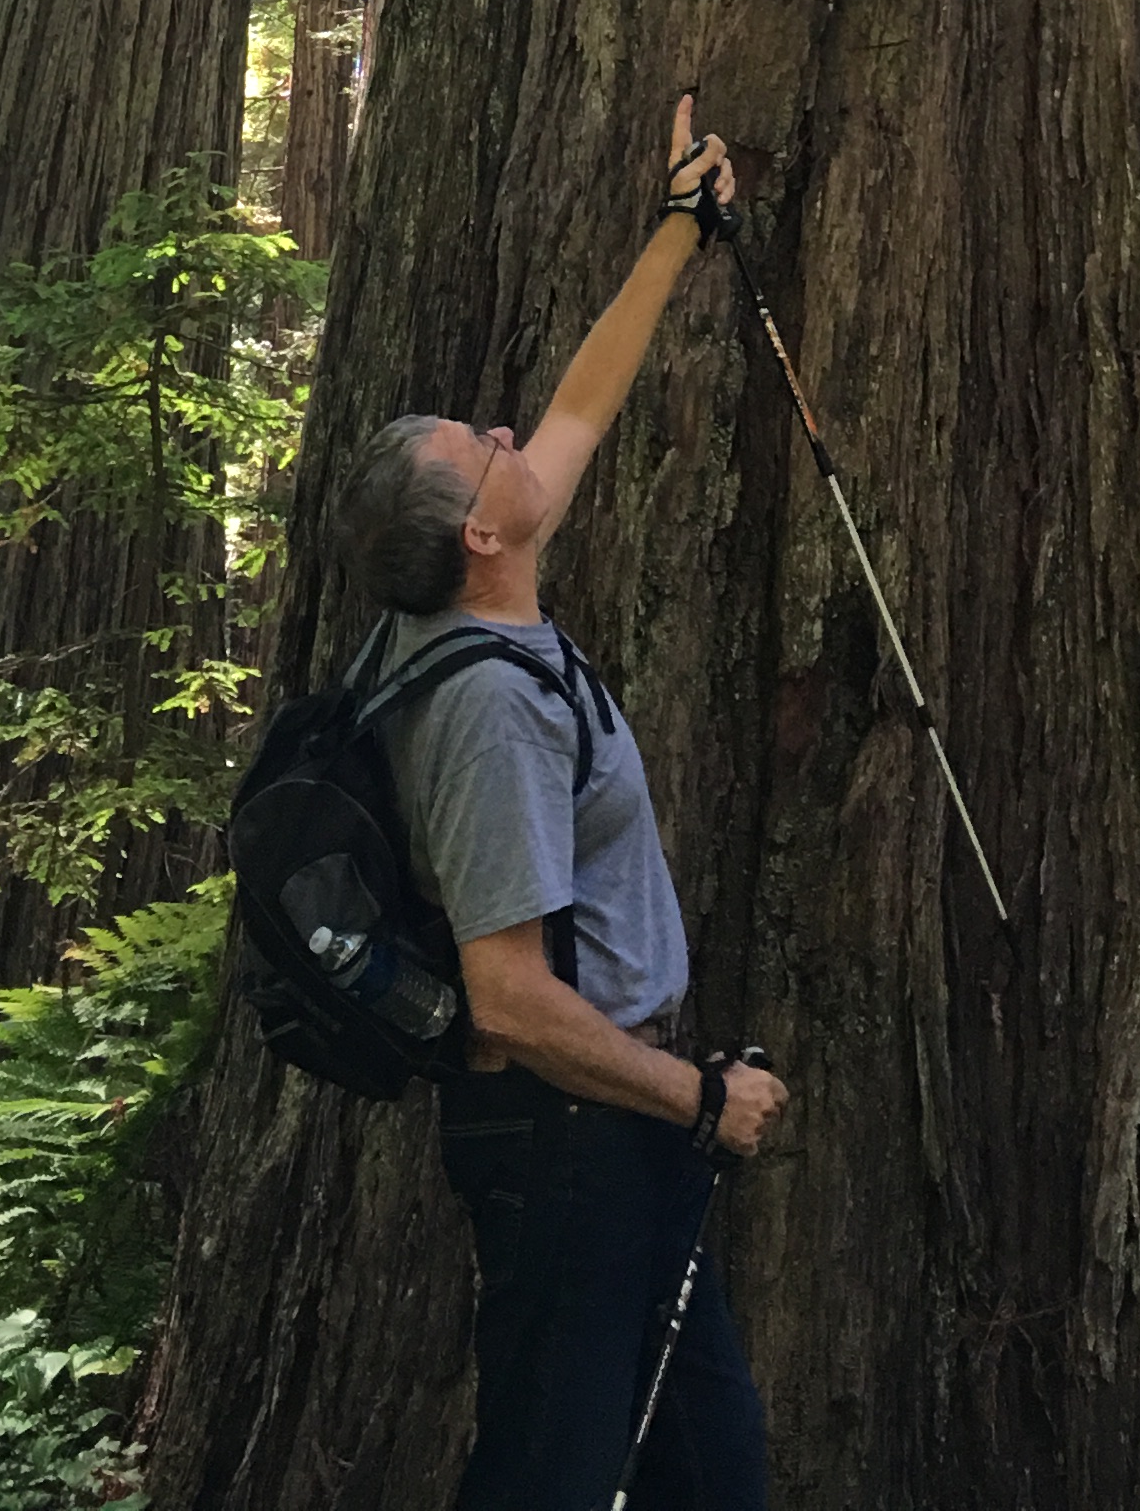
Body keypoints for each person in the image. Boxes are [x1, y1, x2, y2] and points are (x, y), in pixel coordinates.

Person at [333, 92, 788, 1511]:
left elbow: (581, 408)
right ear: (482, 529)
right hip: (570, 1140)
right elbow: (510, 999)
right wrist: (699, 1098)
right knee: (552, 1475)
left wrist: (677, 230)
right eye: (483, 446)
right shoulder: (489, 711)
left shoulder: (461, 611)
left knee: (711, 1468)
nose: (506, 429)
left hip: (615, 1133)